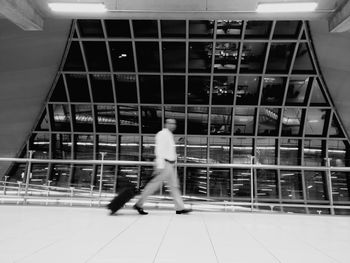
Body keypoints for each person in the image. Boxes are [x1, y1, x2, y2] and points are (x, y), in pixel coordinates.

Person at [133, 119, 192, 215]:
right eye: (171, 123)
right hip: (164, 165)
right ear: (166, 124)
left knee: (174, 186)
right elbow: (159, 150)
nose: (173, 125)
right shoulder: (162, 134)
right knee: (153, 186)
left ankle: (180, 208)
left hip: (171, 165)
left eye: (174, 123)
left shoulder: (170, 135)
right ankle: (139, 204)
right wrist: (159, 166)